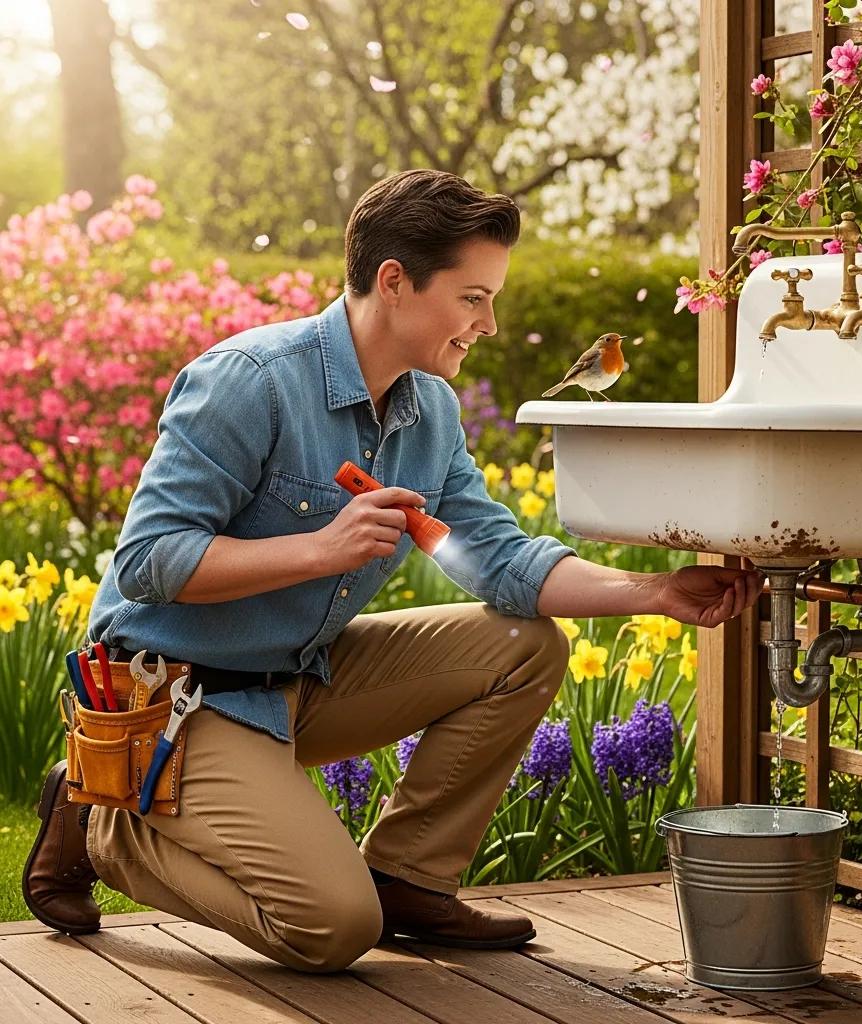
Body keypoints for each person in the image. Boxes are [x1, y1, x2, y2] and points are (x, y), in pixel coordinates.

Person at [23, 169, 763, 973]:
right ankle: (103, 821)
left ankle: (405, 880)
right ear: (395, 282)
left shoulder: (430, 411)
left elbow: (501, 559)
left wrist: (654, 593)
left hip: (295, 680)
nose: (489, 323)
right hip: (173, 695)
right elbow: (147, 561)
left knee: (524, 644)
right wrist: (322, 548)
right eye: (473, 297)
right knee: (333, 930)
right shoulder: (252, 382)